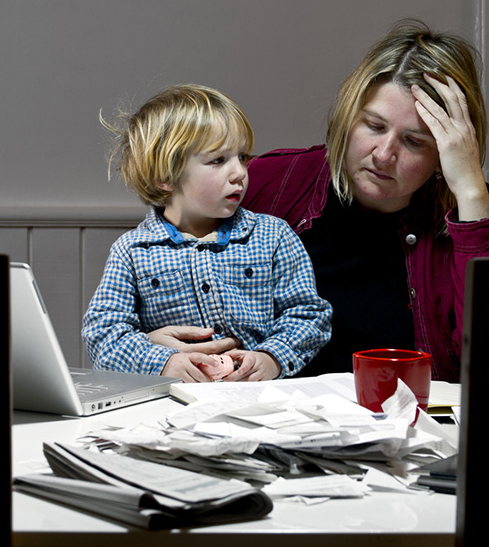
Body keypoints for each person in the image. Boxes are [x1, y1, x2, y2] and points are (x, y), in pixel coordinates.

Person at [240, 20, 489, 385]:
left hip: (414, 427)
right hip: (274, 422)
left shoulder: (479, 216)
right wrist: (151, 339)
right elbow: (167, 271)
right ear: (348, 116)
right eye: (374, 126)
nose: (383, 155)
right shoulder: (271, 184)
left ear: (447, 152)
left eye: (414, 142)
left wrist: (473, 194)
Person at [82, 84, 331, 383]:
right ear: (165, 176)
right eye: (218, 160)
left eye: (242, 157)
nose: (239, 172)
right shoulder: (132, 251)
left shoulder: (274, 236)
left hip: (260, 401)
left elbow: (308, 314)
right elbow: (104, 333)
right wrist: (164, 362)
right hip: (170, 403)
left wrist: (272, 357)